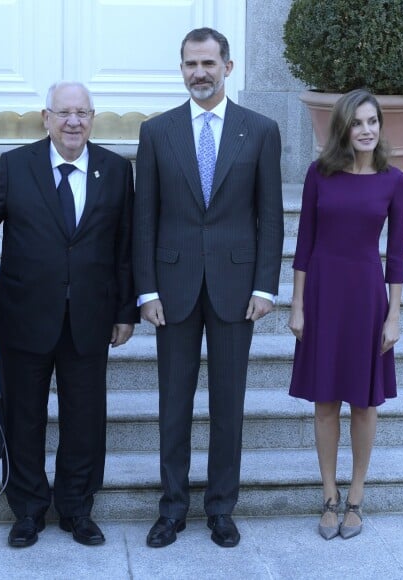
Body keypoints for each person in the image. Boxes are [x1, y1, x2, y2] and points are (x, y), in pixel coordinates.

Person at [133, 28, 284, 548]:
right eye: (190, 64)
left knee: (228, 403)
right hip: (171, 289)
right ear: (181, 68)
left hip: (235, 287)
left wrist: (266, 286)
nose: (199, 72)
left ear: (229, 66)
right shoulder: (156, 132)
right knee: (172, 403)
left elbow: (270, 215)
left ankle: (221, 508)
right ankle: (172, 508)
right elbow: (144, 218)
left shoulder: (260, 130)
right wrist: (145, 290)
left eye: (208, 63)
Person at [0, 81, 138, 549]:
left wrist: (125, 310)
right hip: (23, 316)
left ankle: (76, 508)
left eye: (82, 113)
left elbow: (124, 246)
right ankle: (28, 509)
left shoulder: (113, 169)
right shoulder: (16, 165)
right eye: (64, 112)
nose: (74, 122)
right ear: (45, 117)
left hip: (91, 317)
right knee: (23, 417)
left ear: (93, 118)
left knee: (85, 419)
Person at [288, 89, 403, 540]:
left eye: (372, 121)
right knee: (324, 402)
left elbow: (396, 257)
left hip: (365, 298)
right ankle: (329, 497)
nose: (366, 130)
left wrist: (394, 315)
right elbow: (304, 244)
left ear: (380, 127)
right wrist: (297, 305)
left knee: (364, 402)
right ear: (344, 127)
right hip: (321, 295)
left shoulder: (393, 180)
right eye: (357, 123)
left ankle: (356, 498)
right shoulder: (320, 175)